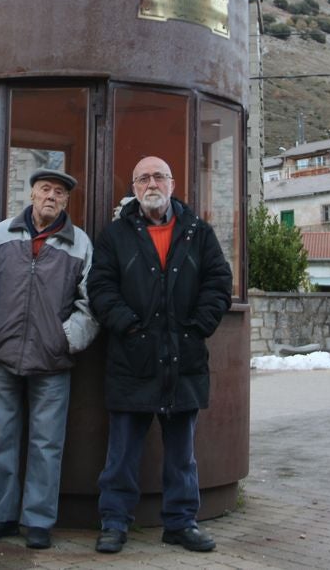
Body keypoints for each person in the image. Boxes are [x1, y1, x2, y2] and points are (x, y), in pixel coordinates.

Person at [87, 156, 232, 554]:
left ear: (171, 183)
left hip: (182, 359)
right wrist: (129, 326)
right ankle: (115, 522)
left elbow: (219, 281)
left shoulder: (198, 233)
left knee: (182, 454)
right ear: (133, 187)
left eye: (159, 176)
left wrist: (197, 327)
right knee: (122, 453)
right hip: (131, 360)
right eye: (143, 178)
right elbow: (99, 287)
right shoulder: (114, 235)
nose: (151, 183)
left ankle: (181, 523)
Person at [0, 168, 99, 550]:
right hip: (4, 351)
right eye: (45, 189)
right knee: (1, 438)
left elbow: (91, 303)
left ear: (65, 202)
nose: (51, 197)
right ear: (31, 194)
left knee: (47, 443)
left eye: (59, 193)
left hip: (52, 357)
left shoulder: (80, 245)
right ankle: (1, 516)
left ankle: (38, 520)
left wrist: (66, 339)